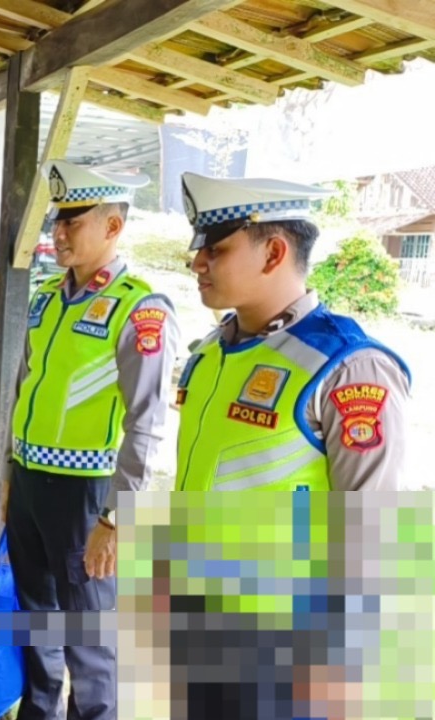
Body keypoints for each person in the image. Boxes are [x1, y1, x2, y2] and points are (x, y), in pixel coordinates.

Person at [169, 172, 414, 719]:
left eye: (216, 249)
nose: (196, 262)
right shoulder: (212, 352)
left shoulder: (346, 365)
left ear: (274, 252)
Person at [6, 160, 180, 720]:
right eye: (58, 220)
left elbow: (147, 423)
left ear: (113, 226)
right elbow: (25, 387)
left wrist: (116, 518)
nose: (58, 233)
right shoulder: (46, 298)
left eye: (72, 222)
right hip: (31, 483)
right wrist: (12, 474)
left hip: (87, 493)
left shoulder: (140, 309)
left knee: (89, 636)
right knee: (37, 620)